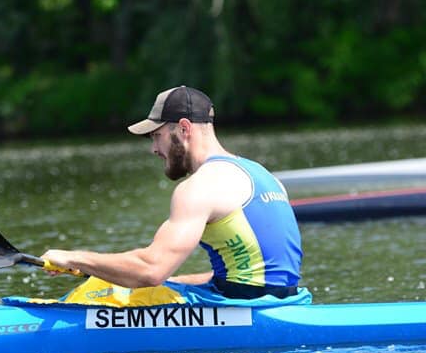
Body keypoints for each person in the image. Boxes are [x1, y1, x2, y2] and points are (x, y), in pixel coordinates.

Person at [41, 86, 303, 300]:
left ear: (184, 128)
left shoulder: (200, 186)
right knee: (139, 285)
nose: (154, 149)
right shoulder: (265, 176)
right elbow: (262, 277)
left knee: (105, 295)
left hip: (246, 307)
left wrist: (74, 257)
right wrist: (170, 282)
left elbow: (151, 270)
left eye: (156, 136)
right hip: (282, 300)